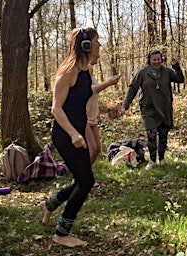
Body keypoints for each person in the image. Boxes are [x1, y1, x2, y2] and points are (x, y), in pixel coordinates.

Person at [38, 27, 104, 247]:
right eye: (96, 41)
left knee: (81, 180)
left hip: (76, 134)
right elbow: (56, 109)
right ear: (85, 45)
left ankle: (49, 204)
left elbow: (85, 96)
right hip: (65, 135)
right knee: (86, 181)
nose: (99, 45)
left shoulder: (85, 72)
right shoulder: (69, 72)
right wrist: (74, 133)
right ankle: (61, 233)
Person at [122, 50, 184, 170]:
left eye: (158, 59)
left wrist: (176, 66)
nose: (156, 62)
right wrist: (126, 104)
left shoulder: (167, 72)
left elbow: (180, 79)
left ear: (162, 59)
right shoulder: (142, 73)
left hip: (164, 107)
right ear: (149, 60)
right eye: (154, 59)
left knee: (163, 134)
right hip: (149, 108)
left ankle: (161, 158)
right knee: (151, 134)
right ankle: (152, 159)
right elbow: (133, 88)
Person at [85, 62, 121, 165]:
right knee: (92, 149)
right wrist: (108, 83)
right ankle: (82, 174)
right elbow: (88, 90)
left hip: (93, 117)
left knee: (97, 149)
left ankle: (85, 171)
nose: (98, 56)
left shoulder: (91, 70)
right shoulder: (82, 70)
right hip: (83, 117)